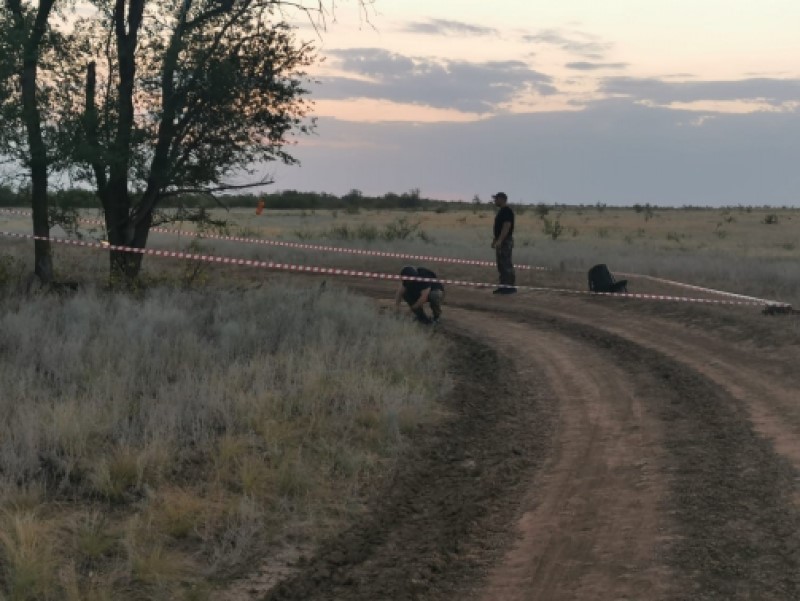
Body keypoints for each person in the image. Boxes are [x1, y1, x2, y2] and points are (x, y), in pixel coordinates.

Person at [491, 192, 516, 294]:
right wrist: (495, 240)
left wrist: (500, 240)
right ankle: (503, 286)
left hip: (505, 241)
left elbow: (506, 226)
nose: (495, 201)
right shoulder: (501, 211)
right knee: (501, 264)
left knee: (506, 264)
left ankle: (509, 287)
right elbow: (499, 228)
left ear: (502, 199)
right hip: (500, 240)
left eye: (496, 199)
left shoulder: (507, 211)